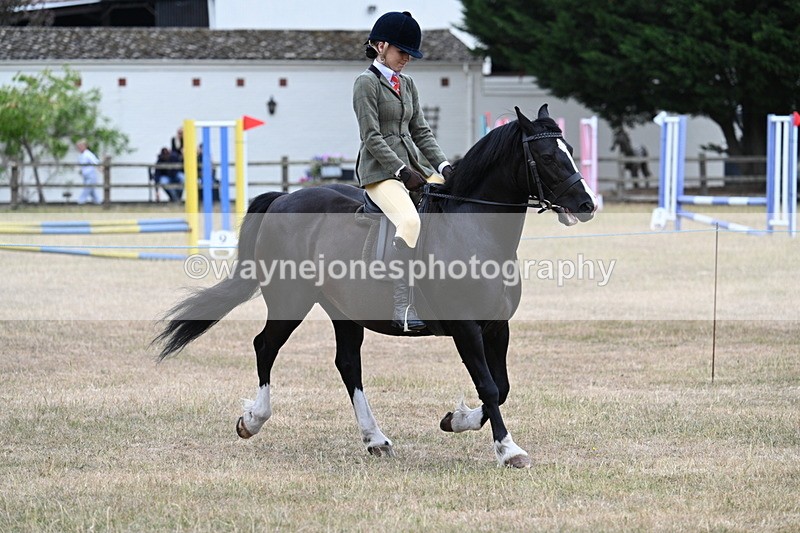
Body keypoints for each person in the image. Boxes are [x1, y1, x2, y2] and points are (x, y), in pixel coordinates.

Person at [353, 11, 453, 332]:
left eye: (410, 54)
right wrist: (399, 169)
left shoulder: (407, 84)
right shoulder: (366, 84)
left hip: (414, 167)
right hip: (380, 173)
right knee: (409, 221)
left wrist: (443, 166)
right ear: (381, 46)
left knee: (451, 199)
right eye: (401, 52)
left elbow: (421, 131)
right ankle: (403, 306)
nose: (406, 59)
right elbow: (371, 137)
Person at [75, 139, 102, 205]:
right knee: (92, 191)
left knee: (87, 189)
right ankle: (98, 203)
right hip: (85, 175)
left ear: (85, 146)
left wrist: (101, 169)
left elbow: (95, 162)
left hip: (91, 175)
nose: (79, 148)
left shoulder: (88, 154)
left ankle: (80, 202)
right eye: (78, 146)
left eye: (80, 146)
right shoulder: (81, 155)